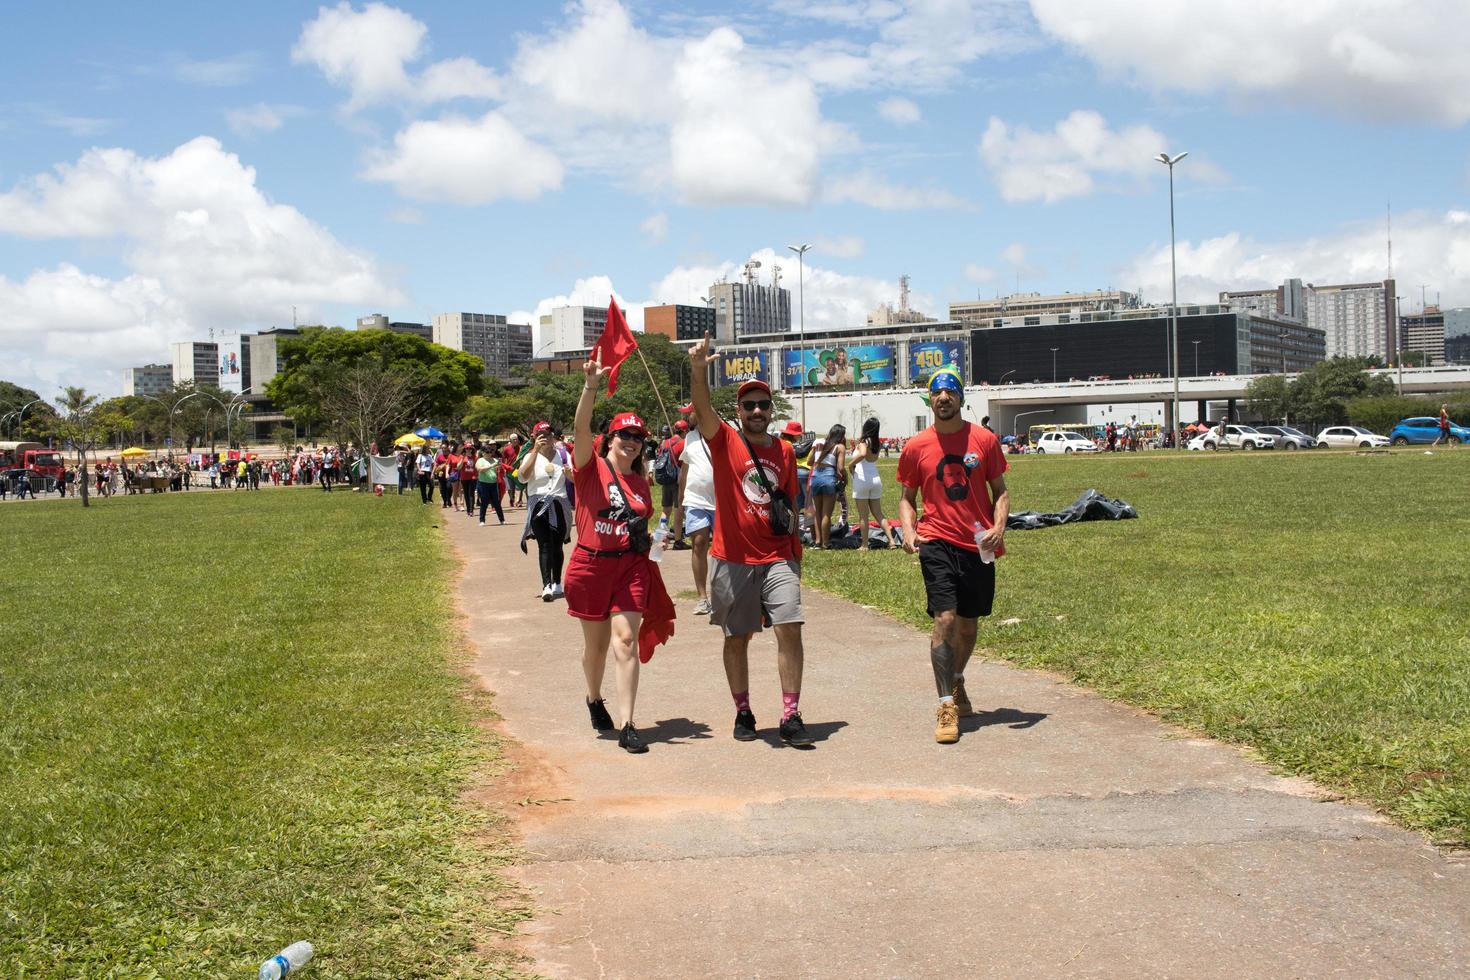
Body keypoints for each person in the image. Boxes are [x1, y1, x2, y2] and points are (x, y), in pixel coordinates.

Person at [689, 334, 814, 747]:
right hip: (733, 559)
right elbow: (703, 409)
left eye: (763, 405)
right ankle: (743, 710)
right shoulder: (724, 440)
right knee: (736, 637)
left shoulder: (784, 451)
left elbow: (790, 505)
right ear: (739, 411)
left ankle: (791, 714)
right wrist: (698, 369)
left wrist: (795, 554)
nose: (757, 411)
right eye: (749, 405)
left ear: (770, 410)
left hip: (778, 557)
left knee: (789, 628)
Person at [897, 366, 1010, 744]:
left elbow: (1001, 492)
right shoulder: (915, 447)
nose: (943, 398)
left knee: (968, 625)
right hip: (936, 541)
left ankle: (957, 679)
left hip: (978, 545)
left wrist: (998, 527)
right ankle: (945, 704)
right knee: (944, 618)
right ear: (929, 399)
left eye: (950, 392)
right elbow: (906, 499)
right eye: (936, 392)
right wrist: (910, 531)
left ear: (961, 397)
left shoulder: (984, 440)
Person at [564, 355, 665, 754]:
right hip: (590, 566)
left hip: (630, 567)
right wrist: (590, 386)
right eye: (624, 434)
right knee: (597, 648)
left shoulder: (641, 482)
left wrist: (655, 543)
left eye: (638, 436)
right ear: (609, 439)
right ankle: (593, 697)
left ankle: (627, 724)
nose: (632, 441)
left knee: (626, 640)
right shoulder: (590, 467)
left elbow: (640, 525)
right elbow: (579, 427)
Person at [519, 421, 572, 600]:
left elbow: (574, 476)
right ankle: (546, 585)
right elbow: (523, 477)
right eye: (540, 434)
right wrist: (534, 450)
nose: (545, 437)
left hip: (559, 503)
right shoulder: (530, 456)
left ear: (553, 436)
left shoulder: (563, 455)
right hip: (538, 504)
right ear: (534, 436)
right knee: (544, 545)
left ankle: (557, 582)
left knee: (557, 545)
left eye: (548, 434)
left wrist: (570, 474)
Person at [676, 408, 716, 615]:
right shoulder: (690, 437)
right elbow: (685, 470)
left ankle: (723, 592)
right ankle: (702, 597)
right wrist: (681, 499)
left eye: (691, 412)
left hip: (720, 502)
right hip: (695, 500)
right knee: (699, 544)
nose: (688, 416)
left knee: (722, 549)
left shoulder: (723, 434)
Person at [848, 417, 897, 550]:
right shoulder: (877, 443)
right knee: (878, 513)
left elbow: (863, 454)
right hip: (875, 479)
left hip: (862, 480)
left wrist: (850, 464)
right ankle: (891, 541)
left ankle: (864, 545)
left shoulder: (864, 442)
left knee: (863, 515)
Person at [807, 424, 846, 549]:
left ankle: (818, 541)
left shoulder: (819, 443)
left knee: (817, 512)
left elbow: (809, 461)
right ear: (841, 435)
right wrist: (845, 477)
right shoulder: (840, 447)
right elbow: (840, 468)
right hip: (829, 477)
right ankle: (826, 543)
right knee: (826, 514)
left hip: (815, 477)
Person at [475, 447, 505, 525]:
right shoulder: (480, 460)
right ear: (483, 453)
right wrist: (492, 466)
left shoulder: (495, 460)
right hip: (483, 484)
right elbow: (480, 470)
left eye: (490, 452)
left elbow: (499, 469)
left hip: (493, 484)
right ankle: (482, 520)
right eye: (487, 452)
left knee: (496, 503)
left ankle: (502, 520)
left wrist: (499, 466)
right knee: (484, 502)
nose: (489, 454)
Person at [500, 435, 524, 508]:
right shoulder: (506, 449)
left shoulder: (521, 448)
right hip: (509, 470)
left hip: (517, 470)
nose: (515, 441)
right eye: (513, 439)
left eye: (516, 439)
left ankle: (518, 500)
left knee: (518, 486)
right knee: (510, 488)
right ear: (510, 440)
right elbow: (503, 460)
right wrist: (504, 468)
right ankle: (511, 499)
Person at [458, 442, 478, 516]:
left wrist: (477, 475)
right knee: (466, 494)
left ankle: (471, 510)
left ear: (472, 449)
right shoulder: (462, 457)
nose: (468, 450)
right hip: (464, 478)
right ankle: (468, 510)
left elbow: (477, 467)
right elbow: (458, 467)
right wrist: (463, 458)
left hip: (472, 477)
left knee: (471, 493)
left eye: (470, 448)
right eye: (467, 448)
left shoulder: (475, 457)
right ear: (465, 449)